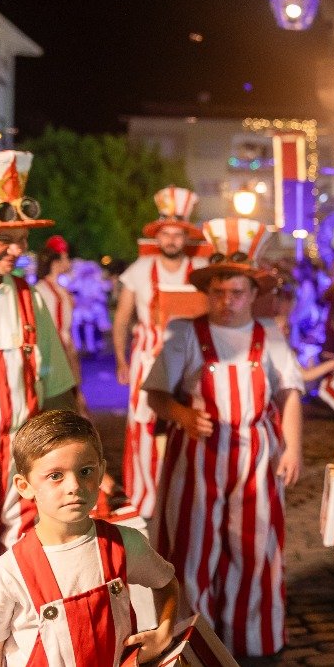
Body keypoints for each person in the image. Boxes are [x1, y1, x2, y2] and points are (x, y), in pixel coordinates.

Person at [144, 218, 304, 657]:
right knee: (192, 552)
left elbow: (290, 392)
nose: (227, 302)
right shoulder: (183, 334)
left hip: (255, 456)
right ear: (207, 293)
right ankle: (193, 647)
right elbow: (155, 395)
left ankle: (251, 643)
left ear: (254, 294)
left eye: (237, 293)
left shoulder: (268, 335)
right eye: (218, 293)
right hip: (196, 458)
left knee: (253, 549)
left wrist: (292, 447)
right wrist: (182, 414)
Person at [0, 410, 179, 666]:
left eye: (85, 471)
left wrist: (164, 633)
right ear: (24, 486)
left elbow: (166, 582)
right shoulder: (6, 575)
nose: (74, 486)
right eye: (55, 476)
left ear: (101, 473)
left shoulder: (124, 544)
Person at [0, 151, 78, 563]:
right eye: (3, 238)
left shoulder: (29, 298)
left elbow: (57, 389)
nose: (17, 249)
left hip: (26, 457)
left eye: (21, 238)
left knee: (28, 564)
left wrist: (73, 452)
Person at [112, 186, 207, 519]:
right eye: (165, 234)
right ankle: (144, 497)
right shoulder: (139, 270)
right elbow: (122, 318)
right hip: (146, 355)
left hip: (189, 357)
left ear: (185, 236)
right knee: (143, 427)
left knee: (186, 418)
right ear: (158, 236)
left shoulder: (201, 268)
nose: (171, 240)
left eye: (177, 234)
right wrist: (122, 361)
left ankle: (182, 492)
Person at [34, 237, 81, 395]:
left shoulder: (58, 289)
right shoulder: (42, 290)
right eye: (66, 257)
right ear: (56, 261)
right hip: (55, 353)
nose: (69, 261)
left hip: (64, 350)